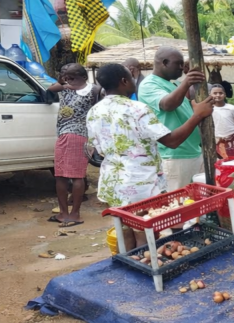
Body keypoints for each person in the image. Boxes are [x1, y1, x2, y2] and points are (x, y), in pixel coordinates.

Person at [87, 63, 213, 249]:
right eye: (131, 78)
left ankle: (130, 267)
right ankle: (148, 266)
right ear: (124, 81)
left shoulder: (93, 112)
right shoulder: (137, 108)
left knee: (124, 228)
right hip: (139, 181)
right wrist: (197, 116)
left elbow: (97, 148)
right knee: (144, 230)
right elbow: (171, 141)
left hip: (112, 180)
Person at [137, 46, 209, 190]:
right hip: (175, 155)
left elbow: (186, 107)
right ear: (164, 63)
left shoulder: (173, 84)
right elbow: (167, 105)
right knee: (179, 203)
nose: (182, 68)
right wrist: (186, 83)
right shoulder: (149, 84)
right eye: (178, 64)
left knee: (197, 201)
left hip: (192, 150)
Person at [47, 63, 102, 227]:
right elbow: (51, 89)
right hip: (76, 136)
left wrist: (63, 82)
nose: (66, 78)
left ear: (82, 76)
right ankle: (67, 213)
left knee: (68, 177)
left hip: (74, 136)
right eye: (65, 75)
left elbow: (50, 89)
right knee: (68, 176)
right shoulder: (75, 88)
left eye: (69, 75)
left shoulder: (92, 90)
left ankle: (72, 214)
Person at [209, 84, 234, 159]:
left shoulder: (232, 109)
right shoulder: (209, 110)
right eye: (215, 93)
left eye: (221, 93)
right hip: (217, 141)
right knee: (221, 165)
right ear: (210, 95)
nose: (218, 95)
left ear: (225, 95)